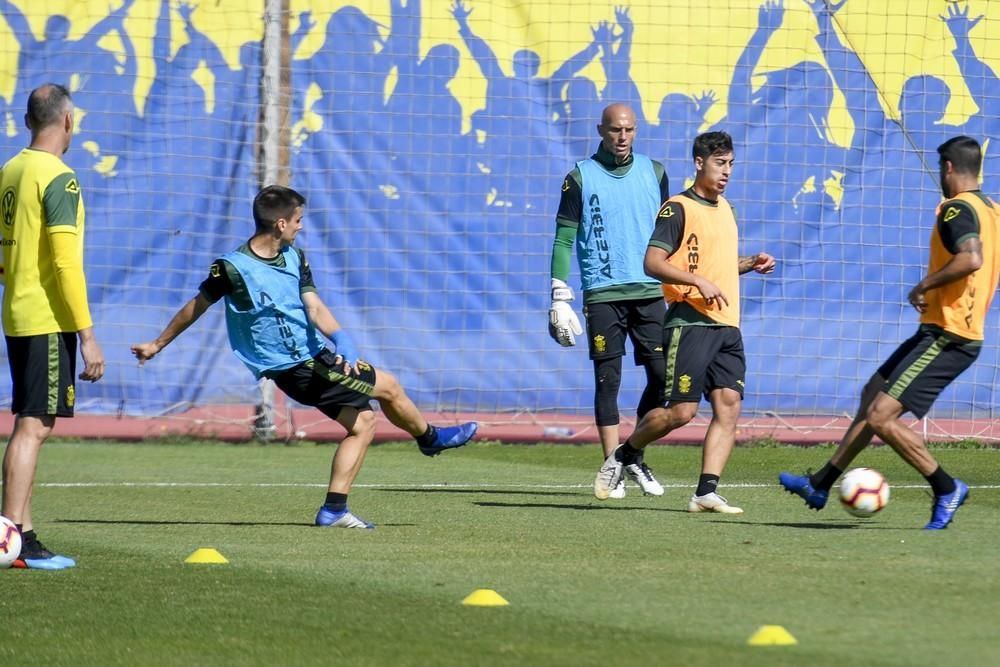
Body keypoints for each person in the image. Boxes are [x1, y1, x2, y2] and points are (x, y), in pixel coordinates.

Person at [131, 185, 477, 529]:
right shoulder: (233, 268)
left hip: (314, 357)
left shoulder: (295, 256)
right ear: (281, 223)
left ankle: (334, 510)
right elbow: (197, 306)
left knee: (363, 424)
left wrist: (342, 339)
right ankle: (430, 438)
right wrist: (158, 344)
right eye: (298, 220)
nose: (301, 226)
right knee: (390, 387)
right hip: (298, 366)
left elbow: (313, 305)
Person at [780, 135, 1000, 530]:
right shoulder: (990, 208)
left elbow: (971, 258)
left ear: (948, 168)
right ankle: (821, 483)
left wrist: (925, 285)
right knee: (872, 396)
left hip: (951, 334)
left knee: (882, 416)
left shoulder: (955, 210)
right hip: (942, 328)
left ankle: (946, 486)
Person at [592, 131, 776, 512]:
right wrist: (696, 281)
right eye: (719, 164)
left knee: (729, 405)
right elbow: (653, 263)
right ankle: (625, 454)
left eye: (730, 165)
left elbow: (717, 267)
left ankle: (705, 491)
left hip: (727, 325)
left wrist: (748, 265)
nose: (726, 172)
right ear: (699, 163)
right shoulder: (677, 208)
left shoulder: (727, 209)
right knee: (682, 412)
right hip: (690, 322)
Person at [1, 84, 106, 569]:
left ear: (28, 121)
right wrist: (87, 336)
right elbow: (66, 264)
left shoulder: (11, 170)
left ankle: (22, 536)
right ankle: (10, 536)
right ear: (68, 121)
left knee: (29, 423)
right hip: (46, 317)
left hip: (18, 312)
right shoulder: (59, 177)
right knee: (33, 426)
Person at [549, 103, 670, 499]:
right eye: (615, 130)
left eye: (629, 130)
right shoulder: (579, 178)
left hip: (650, 291)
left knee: (662, 377)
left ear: (636, 131)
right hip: (603, 294)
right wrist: (558, 294)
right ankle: (610, 468)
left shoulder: (655, 172)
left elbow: (668, 233)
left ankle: (631, 454)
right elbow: (565, 238)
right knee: (608, 379)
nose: (622, 137)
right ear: (601, 130)